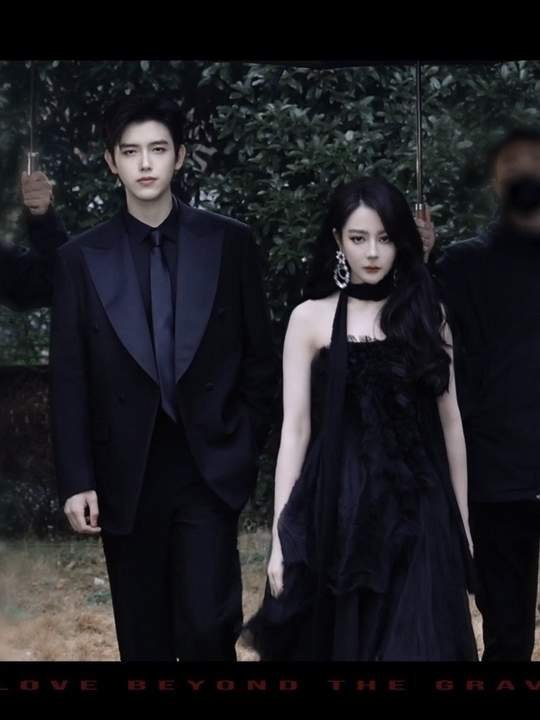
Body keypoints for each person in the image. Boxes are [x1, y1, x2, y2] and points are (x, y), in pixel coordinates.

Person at [49, 94, 278, 661]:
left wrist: (242, 445)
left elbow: (259, 359)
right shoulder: (79, 258)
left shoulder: (229, 242)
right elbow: (70, 377)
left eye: (157, 149)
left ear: (179, 156)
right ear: (112, 162)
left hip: (208, 466)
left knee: (207, 630)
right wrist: (77, 478)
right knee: (143, 639)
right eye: (131, 152)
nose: (145, 163)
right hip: (124, 473)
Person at [244, 176, 477, 660]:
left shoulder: (427, 314)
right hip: (337, 510)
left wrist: (463, 524)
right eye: (358, 237)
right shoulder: (308, 319)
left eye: (385, 238)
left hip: (418, 511)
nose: (372, 252)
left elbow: (451, 423)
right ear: (337, 240)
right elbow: (295, 430)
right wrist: (281, 538)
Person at [423, 127, 540, 661]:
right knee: (507, 637)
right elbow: (408, 332)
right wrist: (415, 258)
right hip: (498, 481)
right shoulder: (460, 265)